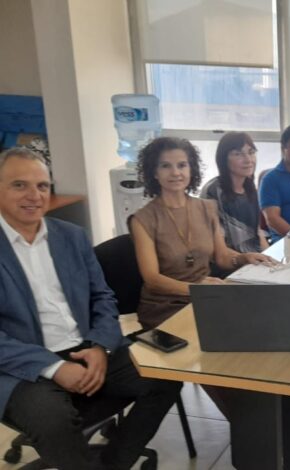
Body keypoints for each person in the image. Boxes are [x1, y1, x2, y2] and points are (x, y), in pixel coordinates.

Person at [0, 147, 182, 470]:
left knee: (166, 377)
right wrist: (54, 368)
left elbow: (103, 297)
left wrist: (101, 346)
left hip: (86, 347)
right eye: (19, 185)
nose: (34, 195)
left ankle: (113, 463)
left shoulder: (71, 236)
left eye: (42, 186)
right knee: (53, 420)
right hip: (22, 365)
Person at [131, 137, 274, 330]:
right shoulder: (142, 219)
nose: (176, 173)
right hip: (166, 307)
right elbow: (152, 280)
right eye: (165, 166)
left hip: (206, 297)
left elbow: (222, 257)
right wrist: (197, 289)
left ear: (191, 169)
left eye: (182, 165)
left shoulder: (206, 208)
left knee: (264, 317)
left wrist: (244, 257)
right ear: (154, 172)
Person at [201, 132, 270, 256]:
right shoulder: (213, 191)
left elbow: (258, 233)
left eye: (251, 152)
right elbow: (214, 245)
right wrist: (245, 259)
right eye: (238, 154)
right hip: (229, 262)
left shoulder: (250, 189)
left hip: (254, 259)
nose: (248, 160)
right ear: (223, 159)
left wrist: (270, 258)